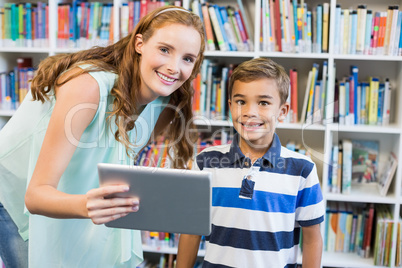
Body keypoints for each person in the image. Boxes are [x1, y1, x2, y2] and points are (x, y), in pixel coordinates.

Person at [0, 5, 205, 267]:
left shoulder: (164, 101)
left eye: (188, 58)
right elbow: (35, 196)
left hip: (73, 192)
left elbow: (113, 156)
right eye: (164, 50)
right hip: (14, 192)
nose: (174, 68)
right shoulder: (87, 87)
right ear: (140, 44)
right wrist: (89, 205)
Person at [176, 58, 325, 268]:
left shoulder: (302, 169)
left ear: (282, 112)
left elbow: (312, 238)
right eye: (240, 101)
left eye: (263, 102)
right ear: (230, 107)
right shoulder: (205, 162)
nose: (249, 112)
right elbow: (191, 232)